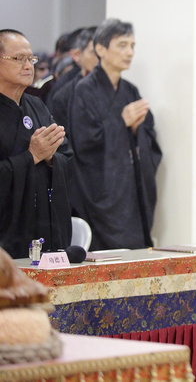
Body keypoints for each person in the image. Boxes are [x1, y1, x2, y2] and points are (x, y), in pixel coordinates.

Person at [70, 19, 162, 250]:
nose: (129, 52)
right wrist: (121, 122)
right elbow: (84, 143)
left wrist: (134, 129)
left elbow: (148, 138)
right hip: (101, 192)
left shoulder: (130, 90)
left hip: (131, 189)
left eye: (132, 45)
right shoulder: (84, 90)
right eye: (122, 45)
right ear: (101, 49)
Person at [0, 29, 72, 258]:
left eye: (31, 59)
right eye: (19, 59)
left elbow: (66, 156)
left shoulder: (37, 105)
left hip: (42, 225)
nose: (28, 65)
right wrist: (31, 156)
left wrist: (51, 157)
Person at [46, 26, 98, 131]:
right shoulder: (64, 95)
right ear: (76, 55)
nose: (102, 58)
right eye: (95, 52)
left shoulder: (124, 88)